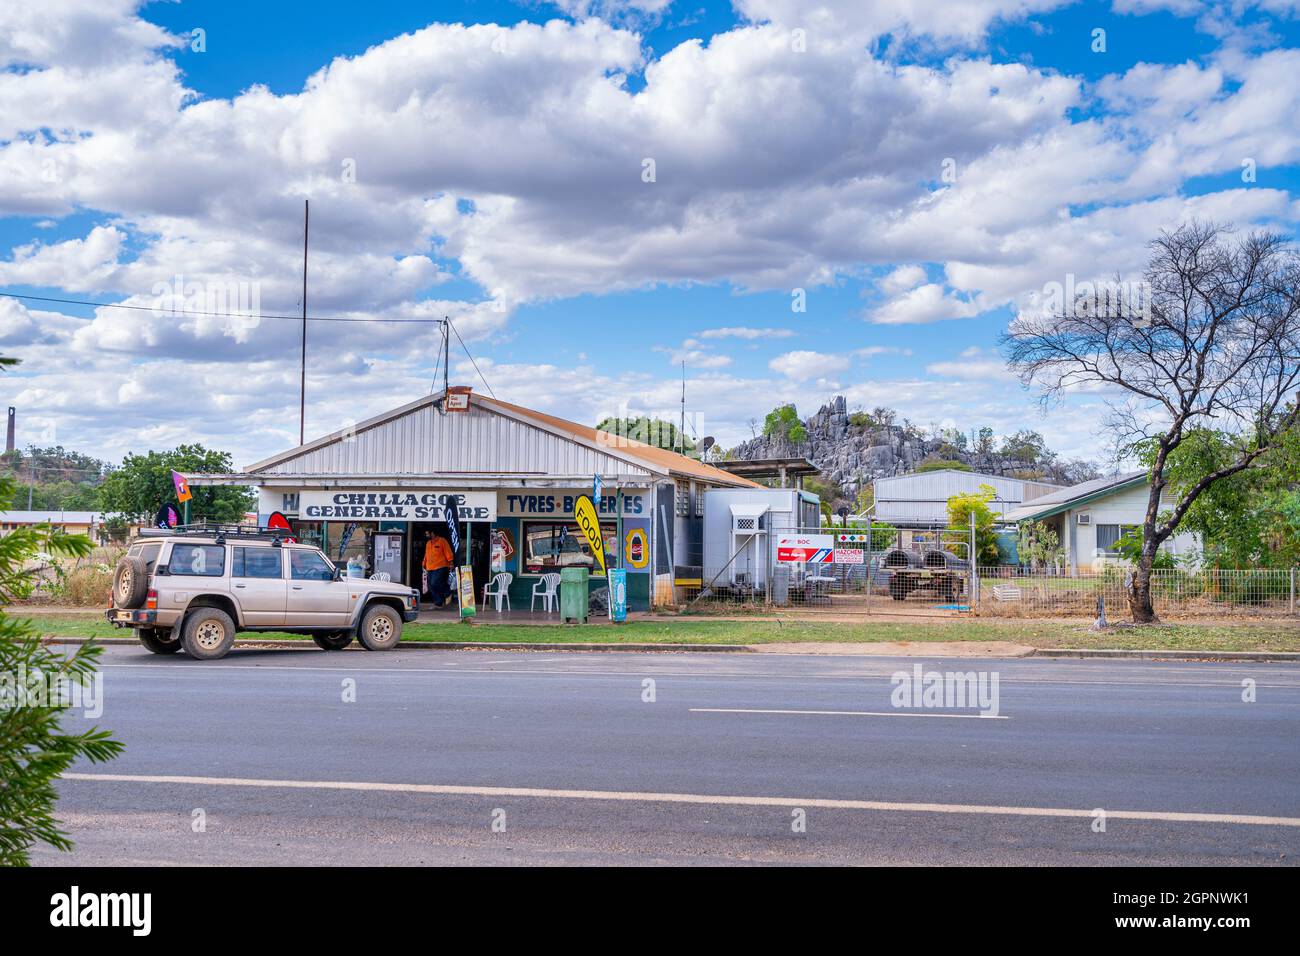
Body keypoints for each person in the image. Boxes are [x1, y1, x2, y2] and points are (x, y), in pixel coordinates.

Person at [422, 530, 455, 607]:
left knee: (435, 583)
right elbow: (426, 554)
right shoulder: (428, 543)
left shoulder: (442, 541)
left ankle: (448, 592)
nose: (426, 535)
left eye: (427, 533)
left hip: (441, 566)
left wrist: (451, 562)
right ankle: (438, 602)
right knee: (431, 586)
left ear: (432, 533)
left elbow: (448, 552)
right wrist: (424, 563)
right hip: (429, 567)